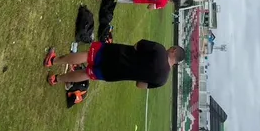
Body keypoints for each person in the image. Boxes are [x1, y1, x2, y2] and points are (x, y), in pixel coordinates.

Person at [43, 40, 185, 88]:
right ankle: (56, 79)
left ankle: (53, 61)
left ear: (173, 50)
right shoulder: (162, 80)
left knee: (88, 56)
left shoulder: (160, 50)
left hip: (116, 54)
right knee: (88, 74)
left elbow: (138, 45)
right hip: (117, 74)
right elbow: (140, 85)